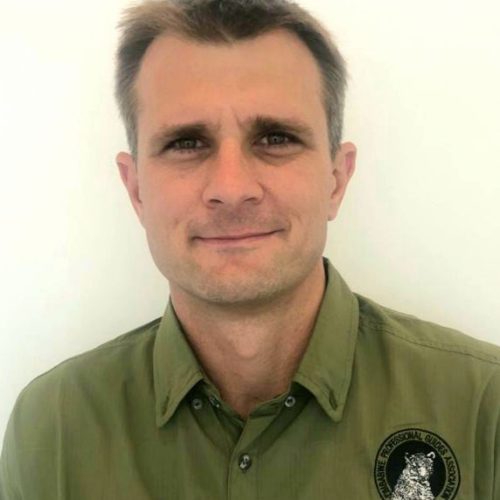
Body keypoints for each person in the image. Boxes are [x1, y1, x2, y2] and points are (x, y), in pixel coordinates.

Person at [1, 0, 499, 498]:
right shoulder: (54, 428)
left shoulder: (483, 407)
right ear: (136, 190)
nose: (232, 187)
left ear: (336, 179)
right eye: (187, 143)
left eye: (275, 138)